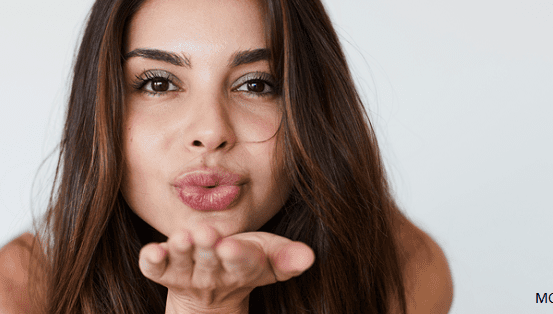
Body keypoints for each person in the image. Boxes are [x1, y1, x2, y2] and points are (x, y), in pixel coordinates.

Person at [0, 0, 453, 313]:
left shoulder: (402, 270)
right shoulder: (15, 292)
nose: (211, 131)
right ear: (101, 110)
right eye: (159, 83)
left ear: (310, 113)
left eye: (256, 85)